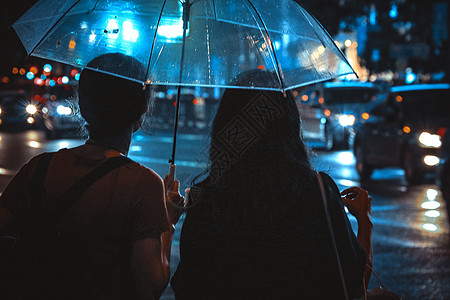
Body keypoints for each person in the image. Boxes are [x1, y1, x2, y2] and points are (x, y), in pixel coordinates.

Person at [171, 71, 373, 299]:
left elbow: (187, 288)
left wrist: (167, 222)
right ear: (288, 123)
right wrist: (364, 222)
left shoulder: (206, 198)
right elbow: (355, 285)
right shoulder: (317, 191)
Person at [0, 53, 185, 299]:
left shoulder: (39, 168)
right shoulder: (143, 185)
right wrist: (169, 221)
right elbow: (150, 286)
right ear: (142, 110)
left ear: (83, 106)